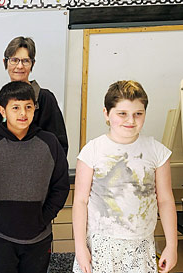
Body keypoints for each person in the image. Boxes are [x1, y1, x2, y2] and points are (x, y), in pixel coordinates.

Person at [72, 80, 177, 273]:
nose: (131, 121)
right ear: (106, 113)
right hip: (101, 244)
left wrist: (172, 245)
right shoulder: (93, 151)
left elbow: (165, 200)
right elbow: (80, 201)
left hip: (140, 244)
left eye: (138, 114)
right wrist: (80, 247)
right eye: (122, 114)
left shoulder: (157, 152)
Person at [0, 81, 69, 273]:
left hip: (39, 236)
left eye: (28, 107)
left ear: (35, 108)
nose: (23, 113)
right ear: (2, 111)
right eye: (15, 107)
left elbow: (60, 185)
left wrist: (44, 217)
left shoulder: (50, 142)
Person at [0, 36, 68, 154]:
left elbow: (59, 146)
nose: (19, 66)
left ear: (32, 64)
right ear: (5, 62)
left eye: (25, 61)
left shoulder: (45, 99)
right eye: (14, 60)